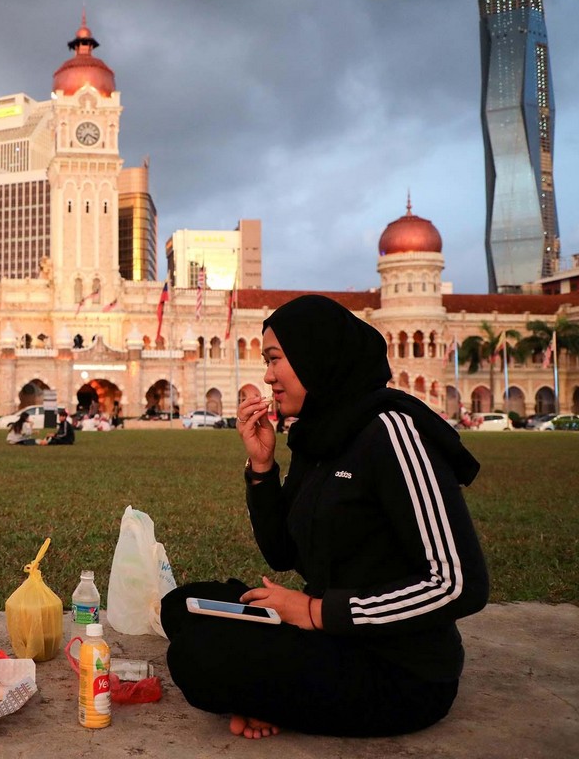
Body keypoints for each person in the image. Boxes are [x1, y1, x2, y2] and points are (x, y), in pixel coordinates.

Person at [161, 294, 487, 740]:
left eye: (275, 359)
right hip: (335, 637)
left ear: (316, 357)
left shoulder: (390, 432)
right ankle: (266, 693)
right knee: (182, 605)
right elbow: (281, 553)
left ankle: (263, 693)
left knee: (198, 654)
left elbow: (458, 584)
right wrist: (262, 468)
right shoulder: (320, 437)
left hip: (401, 671)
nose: (267, 375)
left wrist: (315, 611)